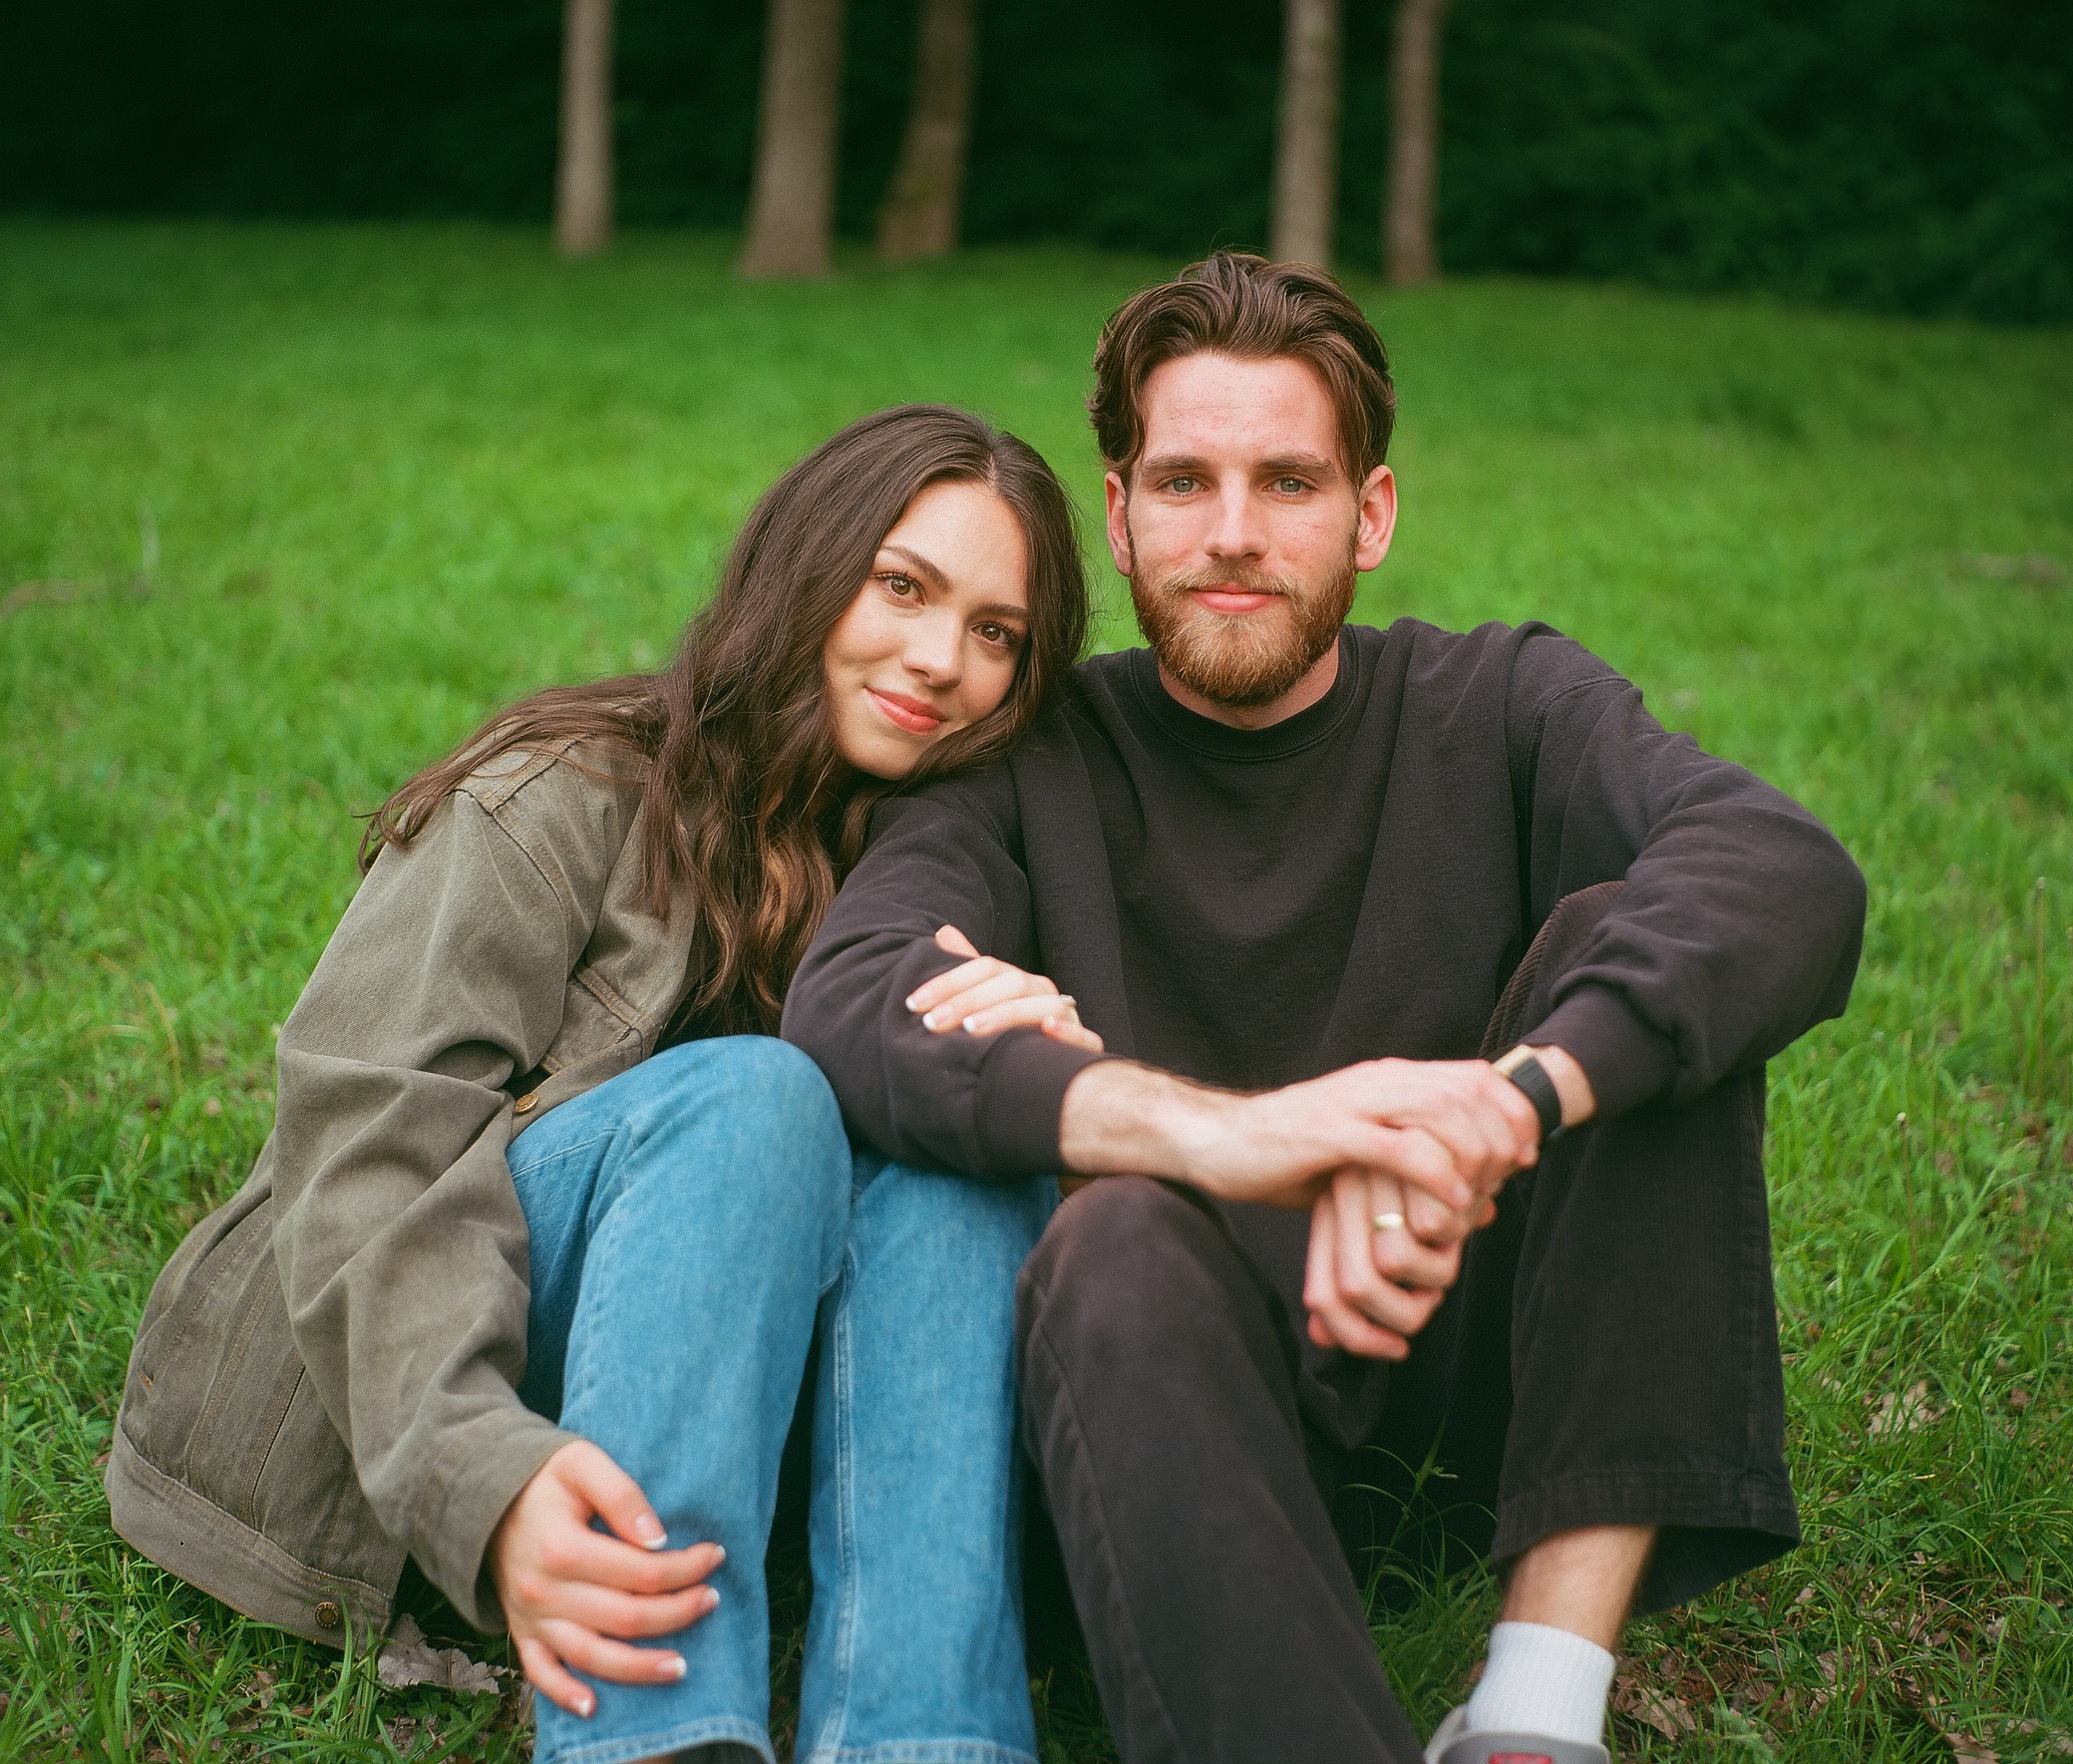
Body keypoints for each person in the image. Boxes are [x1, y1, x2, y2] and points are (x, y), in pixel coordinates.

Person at [782, 255, 1868, 1764]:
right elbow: (851, 994)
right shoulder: (1034, 757)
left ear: (1370, 516)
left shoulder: (1498, 707)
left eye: (1288, 483)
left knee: (1642, 957)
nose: (1233, 536)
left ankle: (1535, 1711)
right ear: (1120, 513)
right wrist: (1237, 1138)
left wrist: (1511, 1104)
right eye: (1185, 482)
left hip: (1461, 1368)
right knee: (1107, 1235)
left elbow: (1784, 871)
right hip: (1155, 1411)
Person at [108, 404, 1102, 1764]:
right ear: (807, 569)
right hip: (431, 1378)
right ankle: (656, 1733)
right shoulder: (560, 795)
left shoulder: (960, 869)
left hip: (724, 1373)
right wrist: (481, 1474)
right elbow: (365, 1149)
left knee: (952, 1149)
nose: (942, 660)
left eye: (999, 632)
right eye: (905, 587)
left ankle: (925, 1738)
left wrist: (1029, 1056)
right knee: (753, 1097)